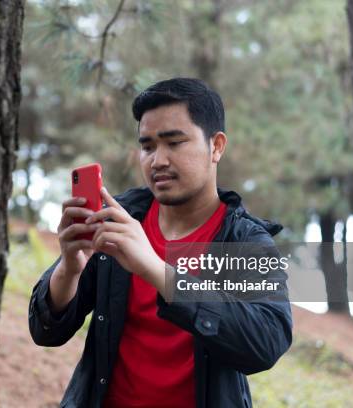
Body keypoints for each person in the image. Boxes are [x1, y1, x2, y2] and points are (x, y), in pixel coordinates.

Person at [28, 77, 292, 408]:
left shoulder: (244, 240)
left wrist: (157, 270)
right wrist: (69, 268)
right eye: (148, 146)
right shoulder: (121, 219)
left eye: (174, 142)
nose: (158, 160)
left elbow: (266, 343)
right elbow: (45, 331)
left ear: (217, 146)